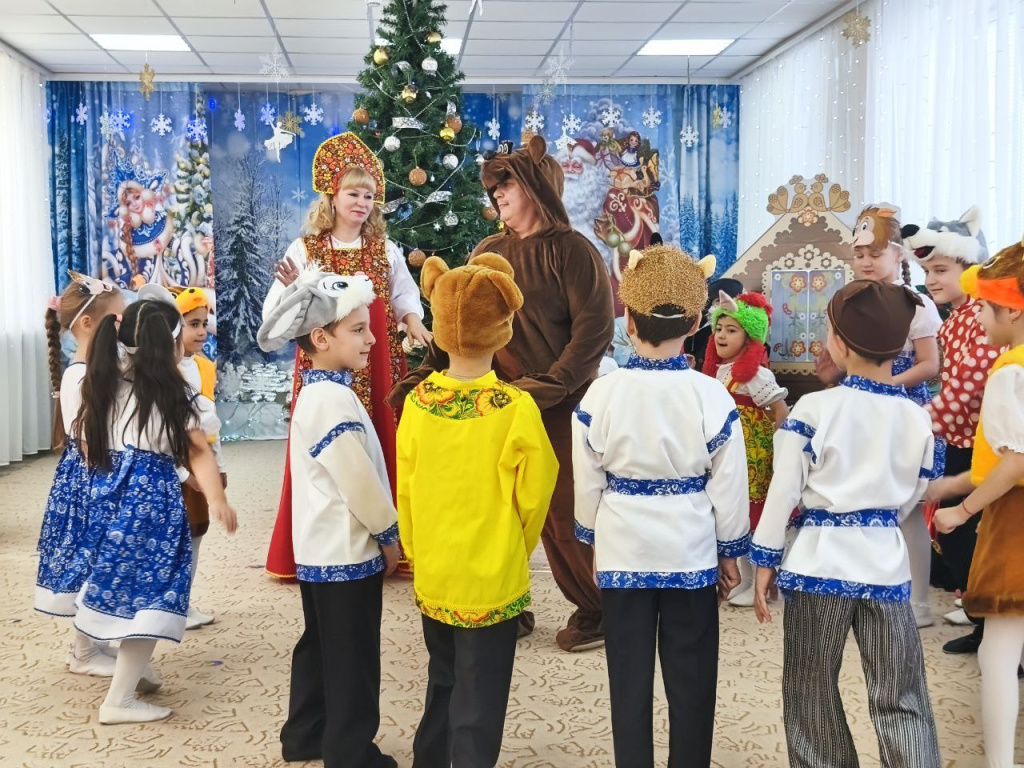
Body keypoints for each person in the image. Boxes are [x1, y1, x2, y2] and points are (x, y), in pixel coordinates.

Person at [390, 136, 614, 652]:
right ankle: (506, 602)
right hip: (494, 403)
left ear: (538, 187)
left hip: (559, 406)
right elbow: (463, 316)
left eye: (507, 184)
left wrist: (552, 385)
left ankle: (597, 609)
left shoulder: (574, 252)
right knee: (497, 507)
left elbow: (593, 333)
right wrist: (428, 370)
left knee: (560, 512)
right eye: (494, 188)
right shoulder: (488, 250)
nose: (497, 195)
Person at [751, 280, 942, 767]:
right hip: (887, 569)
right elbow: (916, 493)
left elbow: (783, 491)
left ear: (837, 342)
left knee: (810, 689)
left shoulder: (814, 408)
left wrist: (766, 559)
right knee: (901, 693)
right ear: (900, 346)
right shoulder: (916, 417)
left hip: (818, 567)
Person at [572, 243, 746, 768]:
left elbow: (587, 482)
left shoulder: (600, 395)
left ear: (628, 320)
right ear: (694, 323)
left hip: (623, 550)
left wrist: (593, 541)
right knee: (692, 674)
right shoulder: (712, 395)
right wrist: (729, 551)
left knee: (627, 675)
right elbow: (729, 485)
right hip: (690, 551)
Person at [396, 253, 557, 768]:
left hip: (437, 570)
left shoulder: (417, 403)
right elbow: (537, 491)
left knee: (442, 677)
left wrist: (417, 549)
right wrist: (516, 547)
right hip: (492, 573)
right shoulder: (516, 408)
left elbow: (406, 487)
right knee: (481, 694)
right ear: (502, 330)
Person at [263, 132, 430, 579]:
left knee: (380, 443)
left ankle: (390, 537)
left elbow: (404, 295)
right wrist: (292, 294)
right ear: (332, 196)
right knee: (325, 449)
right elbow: (276, 312)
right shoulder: (305, 250)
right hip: (322, 367)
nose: (361, 203)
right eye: (353, 194)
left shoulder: (385, 250)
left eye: (369, 196)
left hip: (378, 361)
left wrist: (413, 320)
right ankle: (320, 543)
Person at [258, 268, 401, 768]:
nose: (372, 338)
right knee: (353, 656)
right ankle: (349, 752)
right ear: (320, 338)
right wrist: (388, 534)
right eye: (358, 330)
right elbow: (357, 480)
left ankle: (305, 734)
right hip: (346, 548)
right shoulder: (331, 399)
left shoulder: (321, 393)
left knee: (321, 645)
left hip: (322, 548)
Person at [74, 292, 237, 724]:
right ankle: (119, 700)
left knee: (121, 591)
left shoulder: (103, 380)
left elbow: (90, 447)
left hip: (107, 500)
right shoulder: (174, 394)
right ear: (171, 344)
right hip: (151, 510)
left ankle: (130, 672)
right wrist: (217, 499)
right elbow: (199, 451)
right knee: (153, 601)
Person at [932, 241, 1024, 768]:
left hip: (1015, 522)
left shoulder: (1010, 370)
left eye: (986, 308)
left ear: (1013, 311)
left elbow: (1015, 462)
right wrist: (952, 485)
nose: (979, 318)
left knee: (999, 651)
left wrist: (962, 509)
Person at [904, 207, 1000, 653]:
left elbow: (967, 384)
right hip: (960, 441)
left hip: (985, 446)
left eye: (941, 270)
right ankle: (984, 626)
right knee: (962, 540)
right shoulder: (958, 315)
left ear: (971, 267)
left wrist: (922, 421)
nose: (931, 280)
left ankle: (994, 630)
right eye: (927, 271)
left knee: (972, 538)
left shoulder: (982, 314)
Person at [849, 204, 942, 628]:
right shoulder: (851, 300)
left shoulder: (916, 304)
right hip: (861, 409)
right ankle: (869, 592)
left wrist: (887, 384)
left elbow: (929, 364)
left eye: (875, 253)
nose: (866, 261)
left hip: (903, 410)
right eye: (859, 254)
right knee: (864, 499)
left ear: (897, 255)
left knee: (908, 507)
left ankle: (919, 602)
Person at [35, 272, 125, 676]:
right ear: (88, 323)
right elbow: (90, 442)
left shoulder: (100, 368)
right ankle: (83, 651)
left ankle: (93, 643)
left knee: (101, 562)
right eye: (117, 319)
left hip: (102, 475)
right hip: (91, 481)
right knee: (88, 562)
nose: (123, 327)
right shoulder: (80, 375)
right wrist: (110, 485)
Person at [701, 290, 789, 607]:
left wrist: (778, 450)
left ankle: (760, 582)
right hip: (729, 453)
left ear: (750, 337)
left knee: (752, 516)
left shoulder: (757, 376)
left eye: (731, 330)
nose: (722, 335)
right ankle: (742, 578)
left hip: (754, 455)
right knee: (732, 512)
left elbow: (780, 411)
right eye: (719, 328)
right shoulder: (717, 372)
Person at [175, 286, 226, 629]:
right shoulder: (166, 370)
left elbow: (210, 424)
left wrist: (218, 466)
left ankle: (184, 602)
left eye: (204, 324)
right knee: (174, 537)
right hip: (175, 462)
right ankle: (172, 605)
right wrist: (183, 471)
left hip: (201, 459)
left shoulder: (206, 367)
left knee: (195, 531)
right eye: (193, 324)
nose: (201, 331)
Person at [684, 276, 744, 372]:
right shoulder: (698, 334)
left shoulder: (747, 332)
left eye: (728, 300)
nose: (723, 305)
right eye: (718, 301)